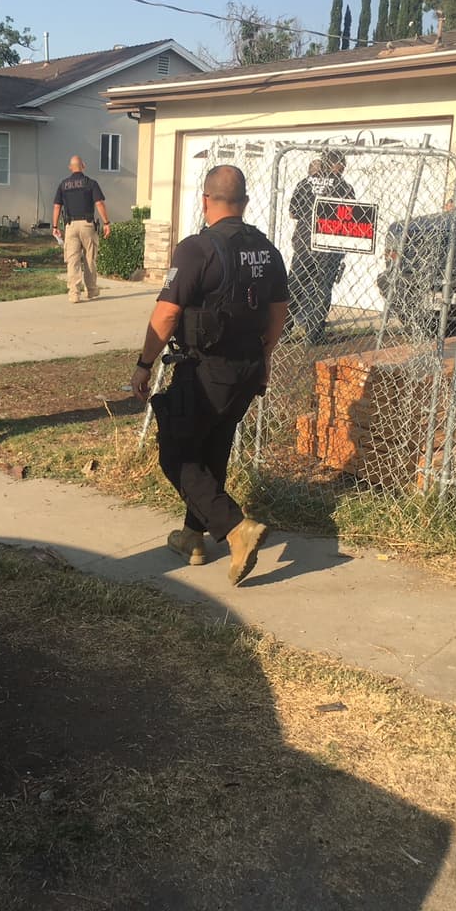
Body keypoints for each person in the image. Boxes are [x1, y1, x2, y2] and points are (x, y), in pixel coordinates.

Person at [131, 165, 289, 586]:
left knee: (177, 455)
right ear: (245, 203)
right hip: (247, 367)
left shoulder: (196, 249)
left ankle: (236, 529)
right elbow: (278, 313)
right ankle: (192, 538)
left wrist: (145, 363)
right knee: (212, 448)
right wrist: (265, 357)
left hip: (204, 370)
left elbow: (167, 313)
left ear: (205, 201)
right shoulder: (268, 250)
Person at [286, 149, 354, 342]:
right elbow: (352, 215)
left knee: (295, 286)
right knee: (322, 287)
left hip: (304, 242)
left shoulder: (305, 183)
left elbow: (293, 213)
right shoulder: (344, 186)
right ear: (336, 164)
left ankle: (283, 330)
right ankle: (313, 335)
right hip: (328, 244)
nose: (344, 169)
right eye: (342, 165)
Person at [52, 156, 111, 303]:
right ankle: (91, 291)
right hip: (87, 225)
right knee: (89, 258)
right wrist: (106, 223)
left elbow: (57, 206)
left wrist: (54, 226)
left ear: (70, 167)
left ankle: (74, 294)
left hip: (70, 226)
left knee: (73, 260)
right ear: (83, 166)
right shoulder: (91, 183)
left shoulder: (63, 185)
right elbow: (99, 204)